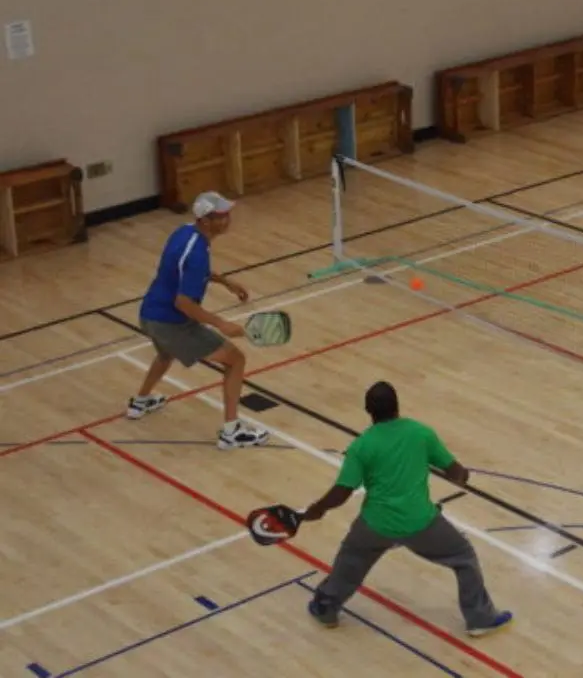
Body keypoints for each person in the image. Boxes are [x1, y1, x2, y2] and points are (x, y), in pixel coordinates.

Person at [302, 381, 512, 637]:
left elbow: (342, 491)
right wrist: (461, 476)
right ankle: (480, 619)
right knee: (464, 557)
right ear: (397, 406)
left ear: (368, 410)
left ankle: (325, 610)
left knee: (351, 561)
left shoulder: (361, 446)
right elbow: (456, 471)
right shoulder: (421, 433)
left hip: (375, 523)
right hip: (420, 522)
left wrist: (318, 508)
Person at [128, 190, 270, 449]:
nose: (228, 219)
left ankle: (141, 402)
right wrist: (220, 324)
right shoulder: (197, 253)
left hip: (148, 314)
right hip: (171, 323)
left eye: (228, 213)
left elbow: (183, 271)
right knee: (236, 360)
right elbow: (183, 303)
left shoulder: (185, 232)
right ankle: (231, 431)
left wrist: (225, 281)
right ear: (205, 220)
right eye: (221, 215)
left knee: (165, 354)